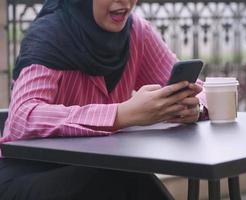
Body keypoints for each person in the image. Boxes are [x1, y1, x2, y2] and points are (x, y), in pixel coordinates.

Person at [0, 0, 208, 199]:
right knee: (120, 175)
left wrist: (193, 107)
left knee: (121, 172)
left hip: (99, 170)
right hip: (27, 175)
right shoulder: (51, 35)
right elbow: (22, 117)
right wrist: (121, 114)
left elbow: (199, 89)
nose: (124, 1)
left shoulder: (136, 32)